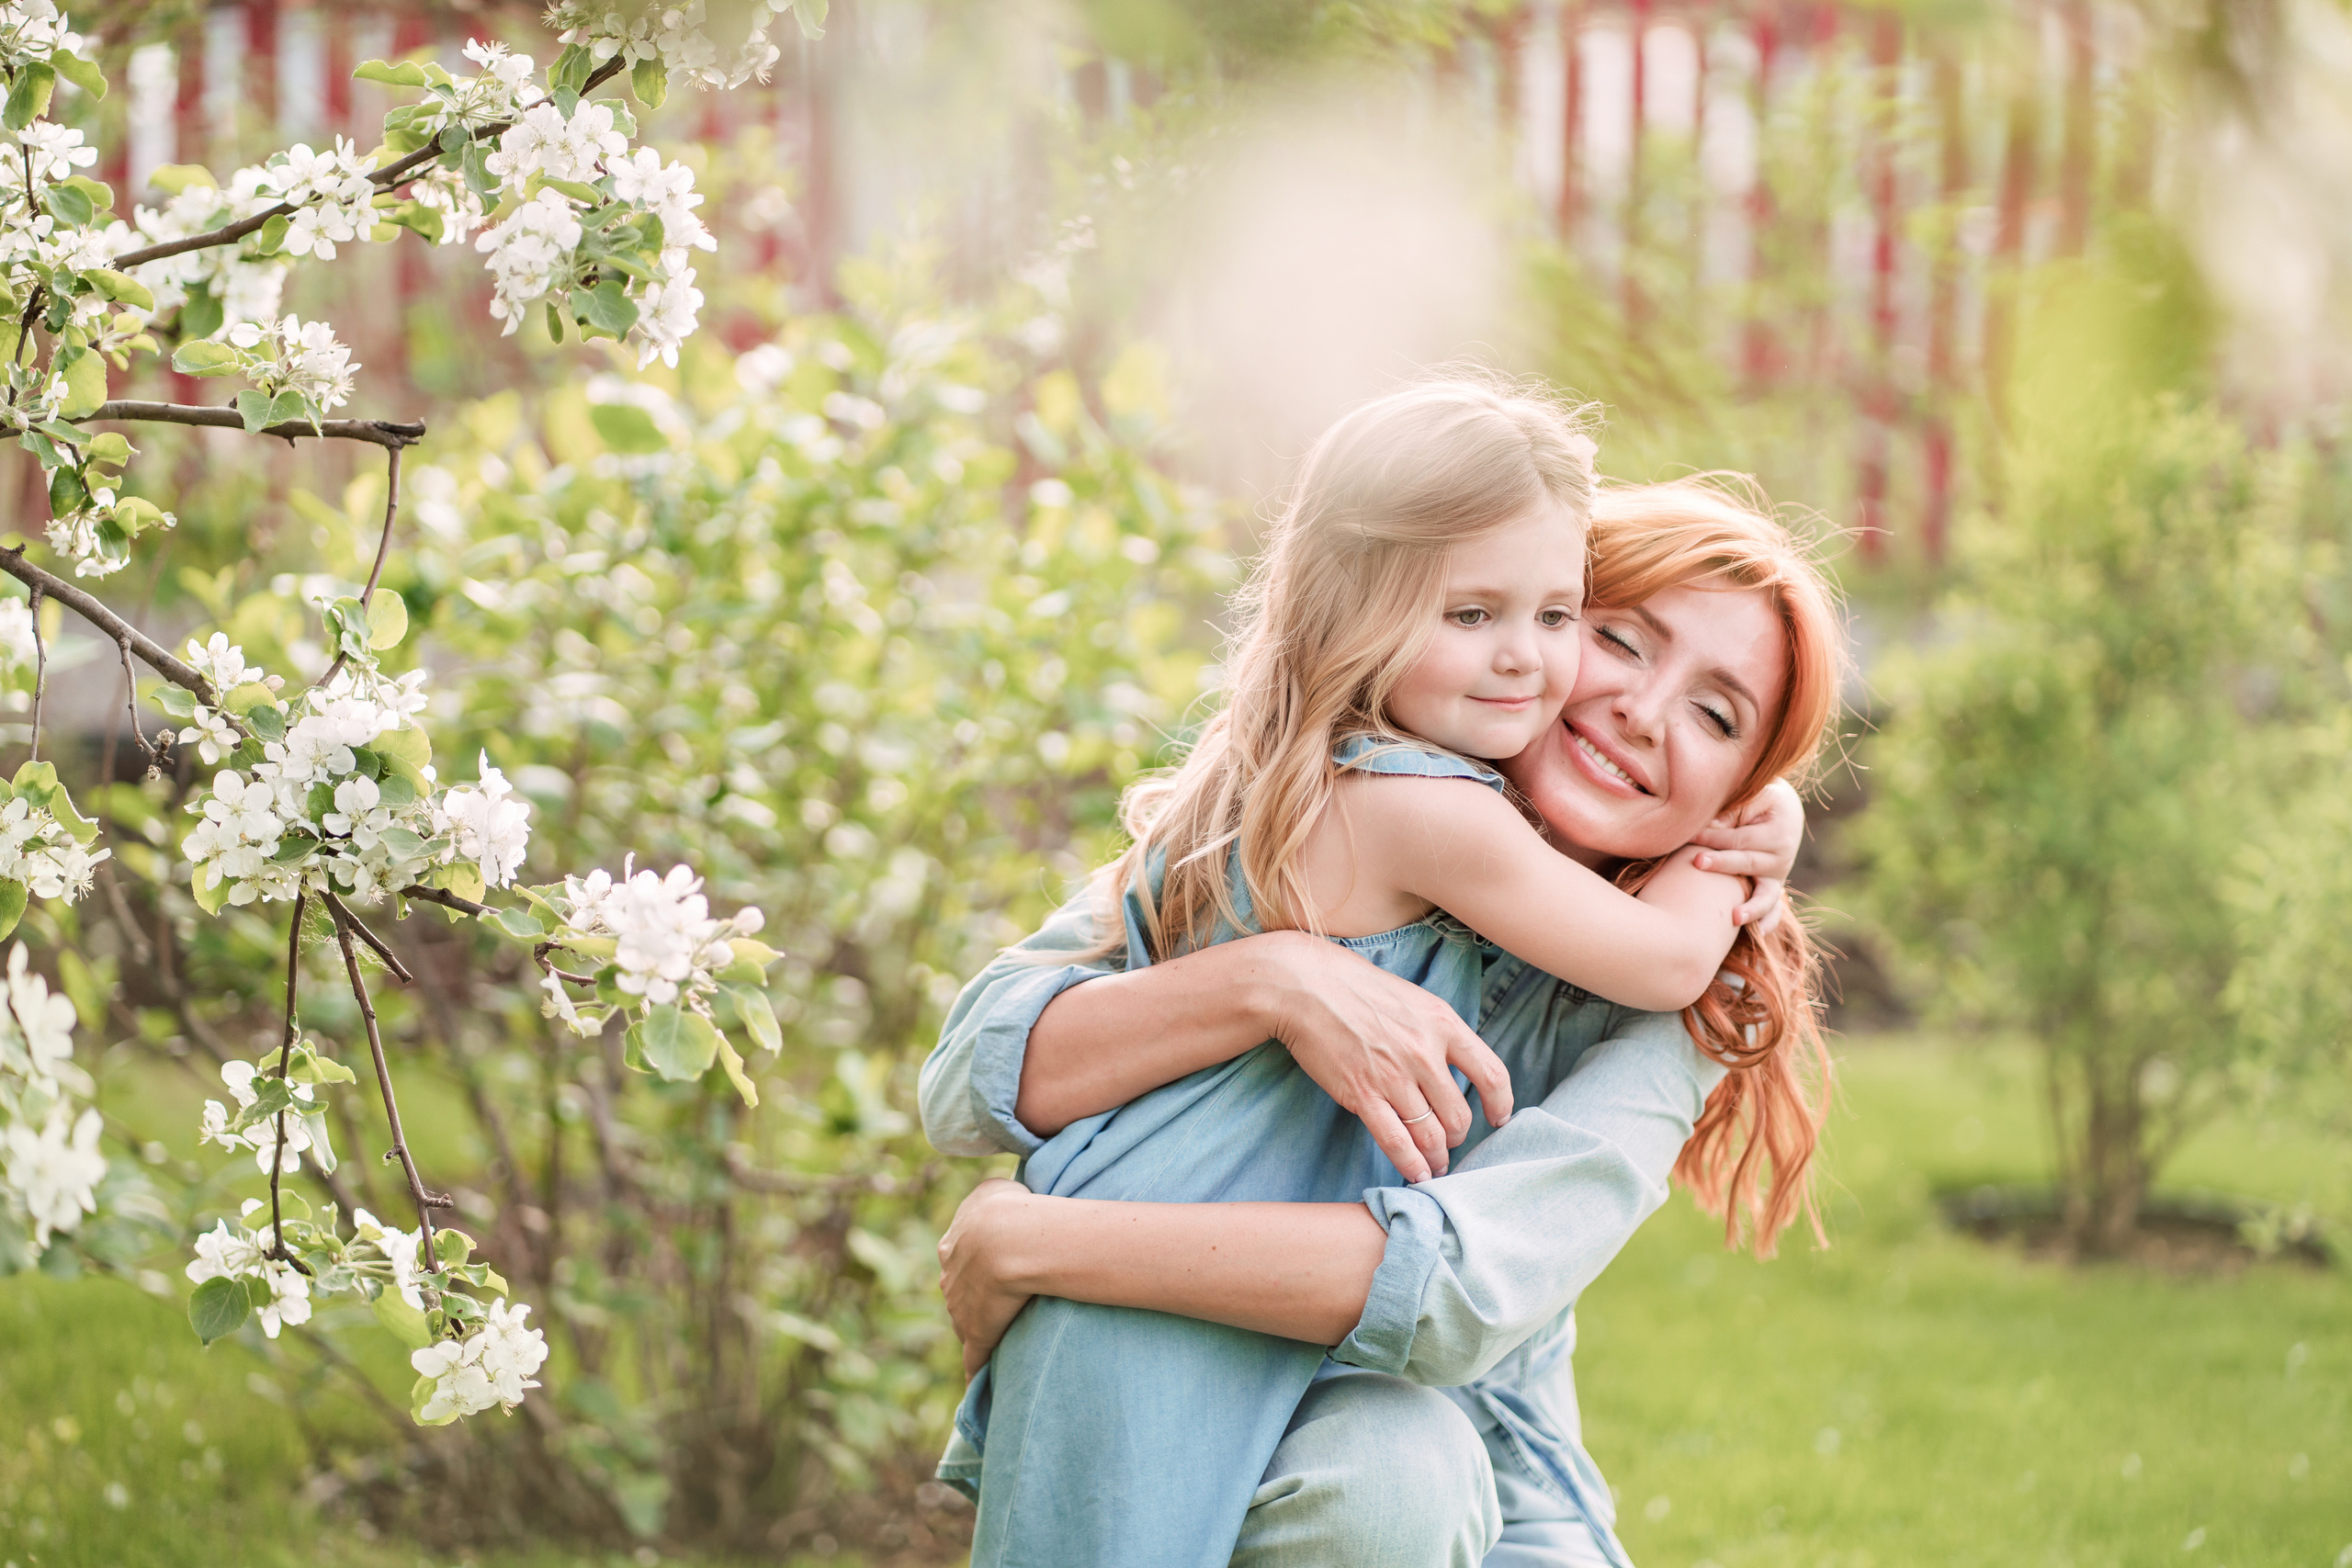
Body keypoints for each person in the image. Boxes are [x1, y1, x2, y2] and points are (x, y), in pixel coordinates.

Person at [923, 411, 1844, 1561]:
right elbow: (966, 1079)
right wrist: (1270, 980)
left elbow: (1453, 1293)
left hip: (1477, 1467)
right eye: (1618, 639)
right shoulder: (1335, 802)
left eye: (1717, 717)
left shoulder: (1690, 1001)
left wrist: (1036, 1241)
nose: (1643, 713)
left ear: (1737, 790)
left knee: (1397, 1476)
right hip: (1169, 1366)